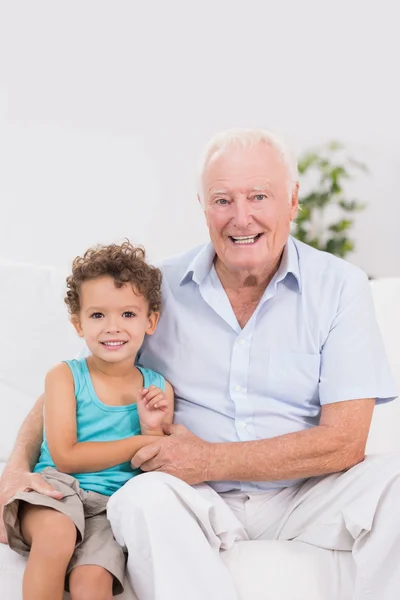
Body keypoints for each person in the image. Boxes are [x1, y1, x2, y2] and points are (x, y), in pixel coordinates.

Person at [0, 129, 398, 600]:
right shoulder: (158, 290)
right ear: (203, 207)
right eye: (222, 200)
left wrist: (210, 459)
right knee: (140, 499)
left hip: (309, 491)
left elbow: (345, 441)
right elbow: (75, 381)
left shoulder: (339, 287)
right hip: (194, 497)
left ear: (293, 200)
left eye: (259, 196)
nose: (240, 216)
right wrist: (13, 471)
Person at [1, 241, 174, 600]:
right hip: (56, 490)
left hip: (109, 507)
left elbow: (154, 463)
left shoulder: (157, 389)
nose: (113, 327)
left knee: (94, 579)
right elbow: (66, 455)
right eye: (98, 315)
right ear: (78, 324)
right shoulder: (64, 377)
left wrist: (151, 428)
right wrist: (142, 442)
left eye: (128, 314)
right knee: (58, 535)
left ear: (151, 320)